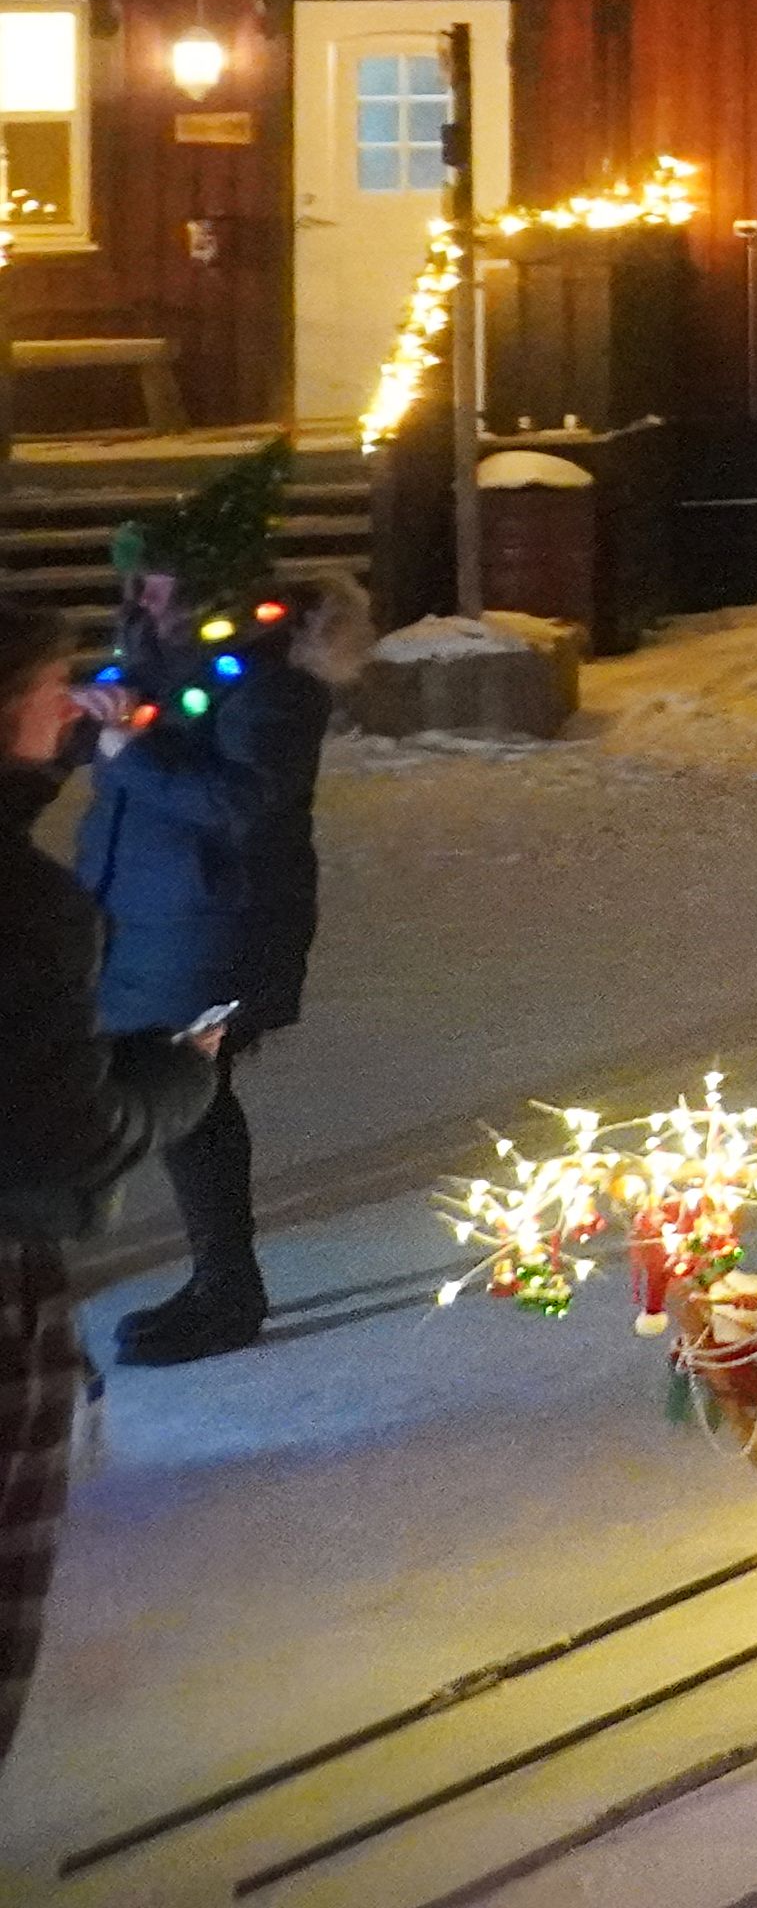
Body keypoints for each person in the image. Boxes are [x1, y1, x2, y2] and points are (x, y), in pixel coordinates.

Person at [2, 598, 218, 1757]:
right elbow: (65, 1141)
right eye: (51, 691)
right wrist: (176, 1077)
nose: (69, 706)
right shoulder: (25, 909)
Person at [69, 528, 351, 1367]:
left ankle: (228, 1291)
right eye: (141, 583)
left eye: (163, 584)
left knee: (188, 1093)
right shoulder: (157, 659)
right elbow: (123, 752)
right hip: (143, 910)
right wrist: (90, 724)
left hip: (216, 922)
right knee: (172, 1092)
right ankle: (218, 1280)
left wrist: (129, 753)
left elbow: (244, 805)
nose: (145, 599)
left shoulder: (269, 678)